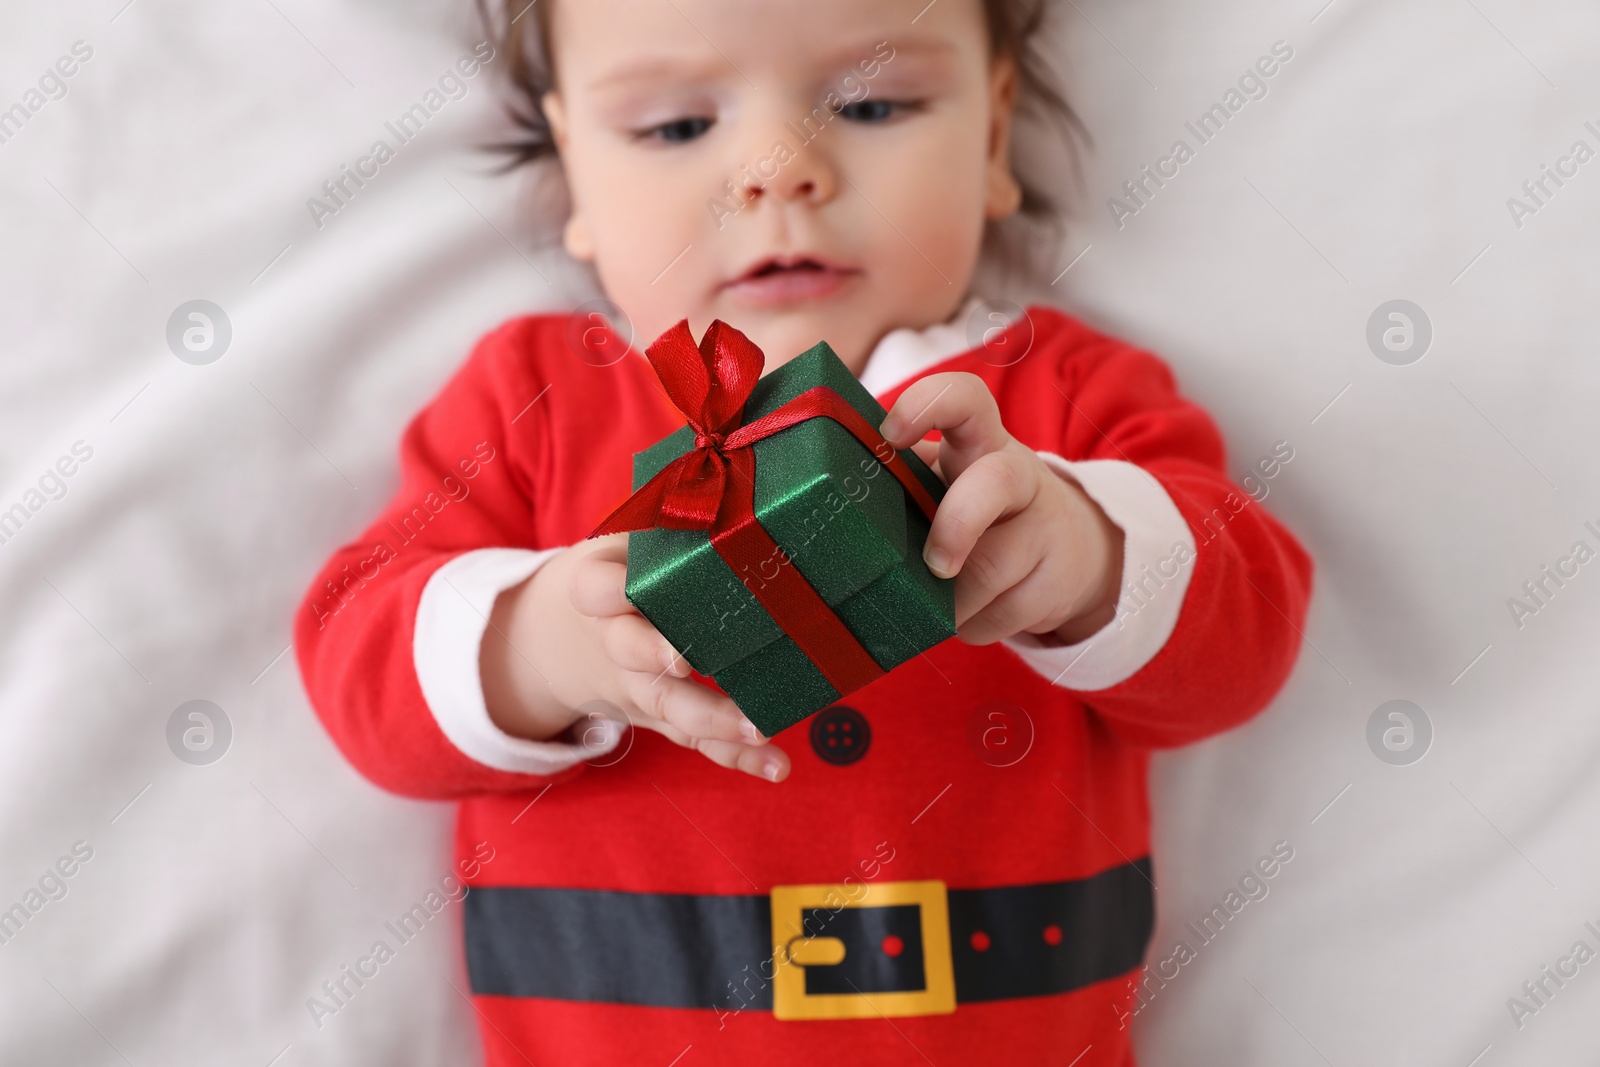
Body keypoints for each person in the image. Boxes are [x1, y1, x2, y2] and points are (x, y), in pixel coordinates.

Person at [295, 0, 1313, 1062]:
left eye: (872, 103)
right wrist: (544, 642)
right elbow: (355, 661)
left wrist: (1088, 560)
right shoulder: (535, 402)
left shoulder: (1057, 398)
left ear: (994, 134)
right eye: (678, 128)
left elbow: (1249, 635)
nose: (778, 169)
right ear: (572, 175)